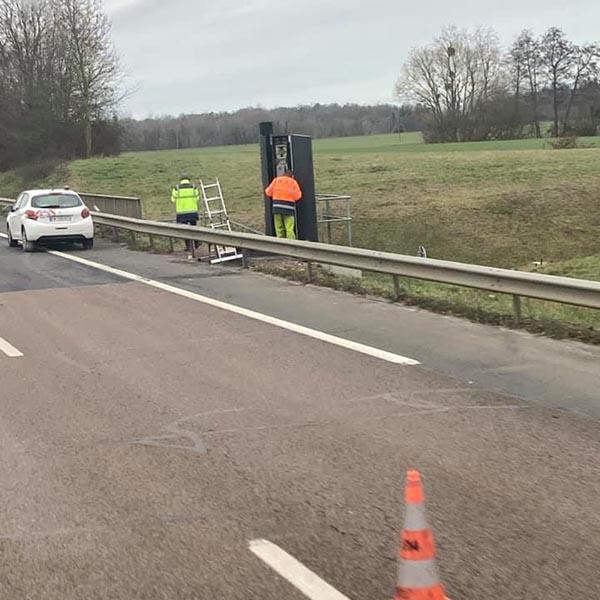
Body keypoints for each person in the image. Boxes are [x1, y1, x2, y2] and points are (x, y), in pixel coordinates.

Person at [264, 169, 302, 239]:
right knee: (289, 228)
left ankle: (280, 243)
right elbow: (298, 196)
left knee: (279, 228)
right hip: (289, 208)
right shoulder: (293, 182)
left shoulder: (276, 180)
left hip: (277, 207)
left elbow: (268, 192)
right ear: (292, 176)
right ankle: (291, 243)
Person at [171, 174, 200, 259]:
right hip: (192, 211)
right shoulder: (193, 187)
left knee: (184, 230)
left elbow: (173, 199)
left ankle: (188, 246)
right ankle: (196, 243)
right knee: (194, 228)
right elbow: (197, 198)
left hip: (182, 212)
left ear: (180, 180)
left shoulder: (177, 188)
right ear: (188, 179)